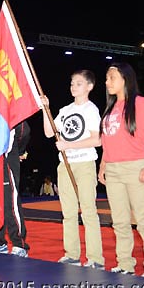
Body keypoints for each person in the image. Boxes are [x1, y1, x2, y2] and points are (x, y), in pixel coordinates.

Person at [98, 62, 144, 279]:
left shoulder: (142, 104)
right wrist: (104, 165)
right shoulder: (110, 108)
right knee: (119, 221)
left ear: (125, 79)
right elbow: (108, 139)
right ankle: (125, 263)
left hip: (136, 168)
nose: (107, 82)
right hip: (114, 170)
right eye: (107, 78)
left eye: (111, 77)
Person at [41, 69, 105, 269]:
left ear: (89, 86)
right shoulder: (66, 110)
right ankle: (72, 254)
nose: (73, 86)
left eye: (78, 83)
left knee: (88, 210)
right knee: (68, 212)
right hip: (65, 165)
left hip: (84, 163)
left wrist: (69, 146)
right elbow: (49, 132)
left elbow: (97, 139)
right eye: (71, 83)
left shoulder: (91, 109)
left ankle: (95, 258)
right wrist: (46, 109)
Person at [0, 74, 30, 257]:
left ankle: (19, 244)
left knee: (10, 203)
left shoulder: (7, 110)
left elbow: (24, 131)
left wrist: (17, 150)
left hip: (6, 161)